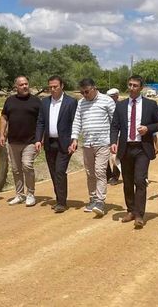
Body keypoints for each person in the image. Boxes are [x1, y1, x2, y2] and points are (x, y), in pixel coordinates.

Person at [110, 75, 158, 228]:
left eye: (135, 85)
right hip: (125, 148)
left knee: (139, 180)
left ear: (141, 88)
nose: (132, 88)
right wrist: (113, 142)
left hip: (142, 148)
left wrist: (148, 129)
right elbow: (115, 126)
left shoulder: (150, 105)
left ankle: (140, 214)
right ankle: (130, 210)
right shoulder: (120, 105)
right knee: (127, 182)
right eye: (130, 85)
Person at [69, 78, 116, 217]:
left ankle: (100, 201)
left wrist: (115, 140)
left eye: (87, 91)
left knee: (100, 171)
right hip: (87, 143)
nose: (85, 94)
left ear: (94, 88)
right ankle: (93, 199)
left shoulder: (107, 100)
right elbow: (77, 121)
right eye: (82, 92)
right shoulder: (81, 103)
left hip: (103, 142)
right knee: (90, 172)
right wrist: (74, 138)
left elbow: (115, 121)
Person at [35, 75, 78, 213]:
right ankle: (59, 198)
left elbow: (75, 123)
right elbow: (41, 121)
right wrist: (38, 139)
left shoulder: (71, 102)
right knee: (53, 172)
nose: (52, 89)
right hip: (49, 142)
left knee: (60, 171)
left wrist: (73, 140)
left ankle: (61, 202)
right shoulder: (45, 102)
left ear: (62, 86)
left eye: (55, 87)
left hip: (64, 143)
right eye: (50, 87)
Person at [0, 76, 41, 207]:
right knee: (16, 169)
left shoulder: (36, 101)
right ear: (16, 87)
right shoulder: (10, 101)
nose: (25, 86)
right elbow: (4, 118)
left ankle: (30, 194)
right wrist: (1, 134)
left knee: (27, 166)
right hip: (13, 141)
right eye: (21, 84)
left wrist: (40, 139)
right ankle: (19, 194)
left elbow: (41, 122)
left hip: (30, 141)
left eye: (26, 84)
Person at [106, 88, 122, 184]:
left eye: (112, 97)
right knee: (104, 156)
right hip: (105, 134)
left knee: (115, 156)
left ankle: (115, 176)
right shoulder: (105, 105)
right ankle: (108, 174)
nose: (110, 99)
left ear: (117, 96)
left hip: (118, 135)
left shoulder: (121, 106)